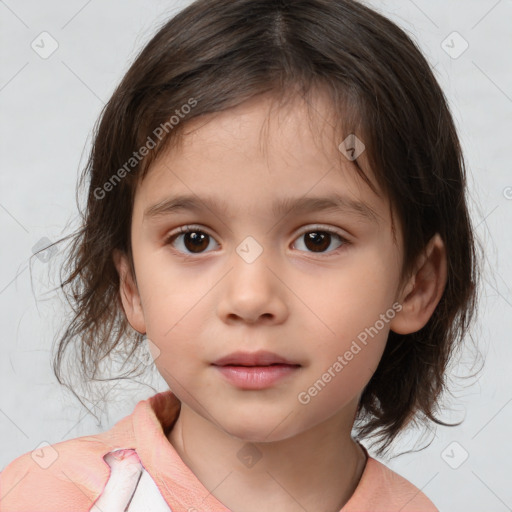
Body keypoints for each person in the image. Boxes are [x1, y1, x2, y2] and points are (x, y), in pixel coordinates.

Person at [0, 0, 479, 510]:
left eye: (318, 239)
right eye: (195, 240)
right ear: (132, 286)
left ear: (416, 285)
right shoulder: (43, 496)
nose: (250, 299)